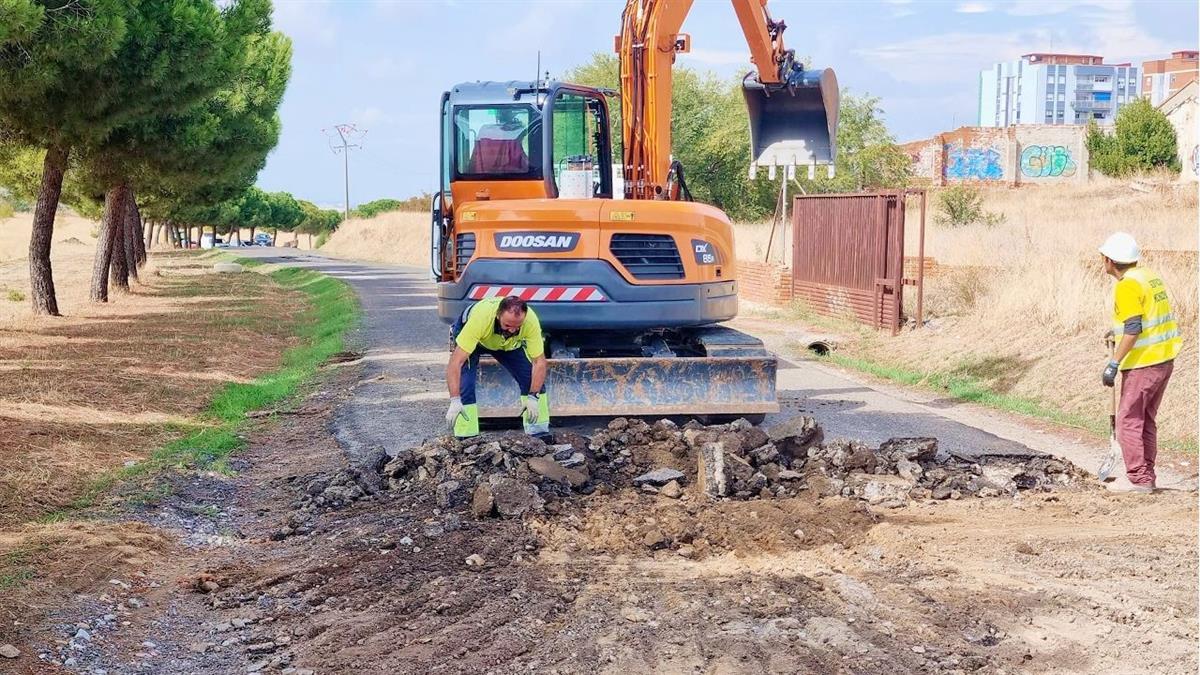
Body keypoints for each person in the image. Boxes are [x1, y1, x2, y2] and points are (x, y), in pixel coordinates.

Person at [1099, 232, 1181, 492]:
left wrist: (1114, 362)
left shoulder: (1127, 285)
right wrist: (1118, 331)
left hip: (1144, 363)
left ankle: (1139, 479)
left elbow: (1134, 328)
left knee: (1128, 420)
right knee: (1145, 419)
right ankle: (1148, 475)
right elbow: (1144, 319)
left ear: (1110, 260)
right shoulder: (1148, 276)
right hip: (1164, 358)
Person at [445, 295, 548, 438]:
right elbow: (455, 363)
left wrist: (533, 396)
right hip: (476, 338)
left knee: (531, 380)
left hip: (507, 344)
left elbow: (539, 362)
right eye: (507, 325)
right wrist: (455, 400)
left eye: (517, 327)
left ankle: (538, 433)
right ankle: (466, 437)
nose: (512, 330)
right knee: (465, 385)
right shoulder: (481, 319)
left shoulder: (530, 321)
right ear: (498, 316)